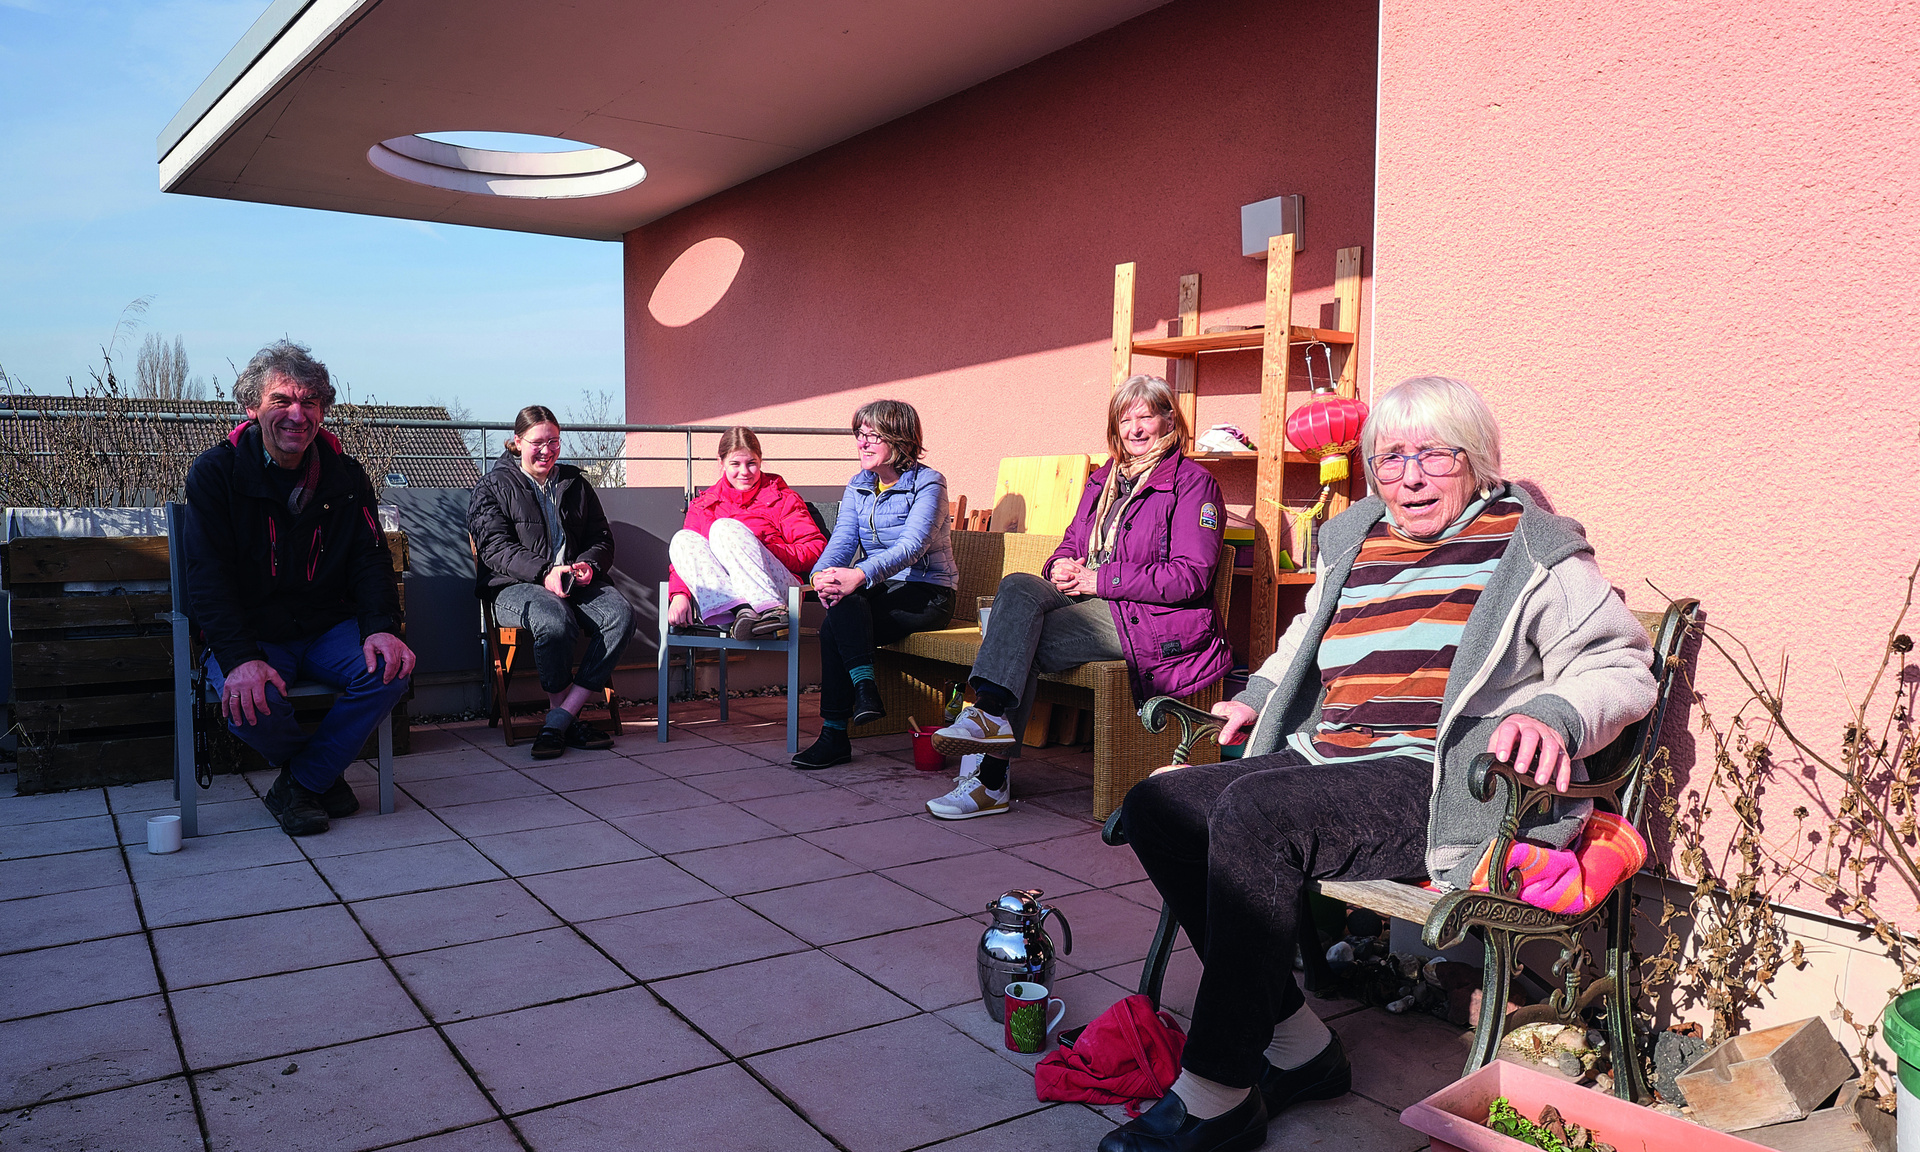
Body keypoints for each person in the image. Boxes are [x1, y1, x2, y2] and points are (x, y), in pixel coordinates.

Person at [1097, 376, 1658, 1152]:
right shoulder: (1357, 537)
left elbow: (1623, 664)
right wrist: (1259, 693)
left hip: (1437, 777)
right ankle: (1298, 1044)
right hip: (1326, 756)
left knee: (1255, 820)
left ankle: (1217, 1092)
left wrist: (1555, 713)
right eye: (1389, 459)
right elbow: (1305, 636)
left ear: (1480, 461)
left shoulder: (1530, 545)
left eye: (1434, 454)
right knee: (1159, 807)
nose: (1410, 477)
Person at [928, 375, 1231, 819]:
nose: (1135, 429)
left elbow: (1190, 577)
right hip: (1097, 598)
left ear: (1170, 420)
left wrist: (1098, 579)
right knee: (1017, 585)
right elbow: (1071, 542)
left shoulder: (1193, 484)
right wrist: (1059, 567)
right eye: (1125, 419)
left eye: (1146, 416)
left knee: (1018, 645)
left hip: (1155, 619)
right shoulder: (1104, 480)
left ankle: (990, 778)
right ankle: (990, 715)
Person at [181, 340, 415, 837]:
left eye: (309, 402)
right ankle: (316, 777)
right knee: (247, 706)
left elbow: (370, 558)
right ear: (252, 408)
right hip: (254, 633)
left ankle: (301, 782)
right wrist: (240, 657)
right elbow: (207, 575)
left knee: (391, 670)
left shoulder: (346, 476)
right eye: (281, 401)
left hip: (326, 627)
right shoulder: (215, 473)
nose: (296, 414)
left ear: (323, 411)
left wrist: (380, 627)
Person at [794, 399, 958, 769]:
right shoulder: (859, 484)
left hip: (929, 593)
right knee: (842, 605)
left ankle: (836, 732)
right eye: (859, 435)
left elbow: (912, 546)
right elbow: (841, 541)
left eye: (872, 436)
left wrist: (861, 574)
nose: (862, 444)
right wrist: (822, 575)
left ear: (899, 441)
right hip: (882, 589)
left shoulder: (929, 483)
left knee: (835, 625)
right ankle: (864, 692)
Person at [468, 405, 634, 761]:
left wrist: (589, 564)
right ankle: (567, 720)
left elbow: (601, 537)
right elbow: (494, 550)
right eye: (538, 442)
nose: (547, 450)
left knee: (621, 614)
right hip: (513, 586)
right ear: (517, 442)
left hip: (573, 582)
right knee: (553, 618)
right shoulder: (492, 486)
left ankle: (560, 717)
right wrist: (545, 572)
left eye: (554, 441)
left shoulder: (575, 483)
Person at [666, 426, 826, 640]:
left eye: (751, 463)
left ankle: (771, 612)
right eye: (735, 464)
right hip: (727, 602)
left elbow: (814, 548)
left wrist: (760, 549)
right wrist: (679, 595)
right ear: (720, 462)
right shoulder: (703, 505)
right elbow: (688, 559)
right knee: (681, 540)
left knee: (724, 529)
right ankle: (740, 610)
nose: (744, 472)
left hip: (778, 592)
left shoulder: (782, 498)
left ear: (760, 461)